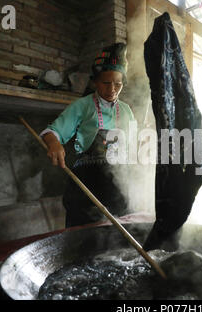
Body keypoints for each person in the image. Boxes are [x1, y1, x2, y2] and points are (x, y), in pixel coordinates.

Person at [40, 43, 135, 228]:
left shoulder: (126, 111)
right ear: (95, 82)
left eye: (118, 84)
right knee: (83, 242)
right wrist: (54, 144)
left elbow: (132, 149)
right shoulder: (83, 106)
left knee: (117, 245)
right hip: (85, 189)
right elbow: (52, 131)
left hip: (117, 189)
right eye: (106, 83)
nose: (112, 89)